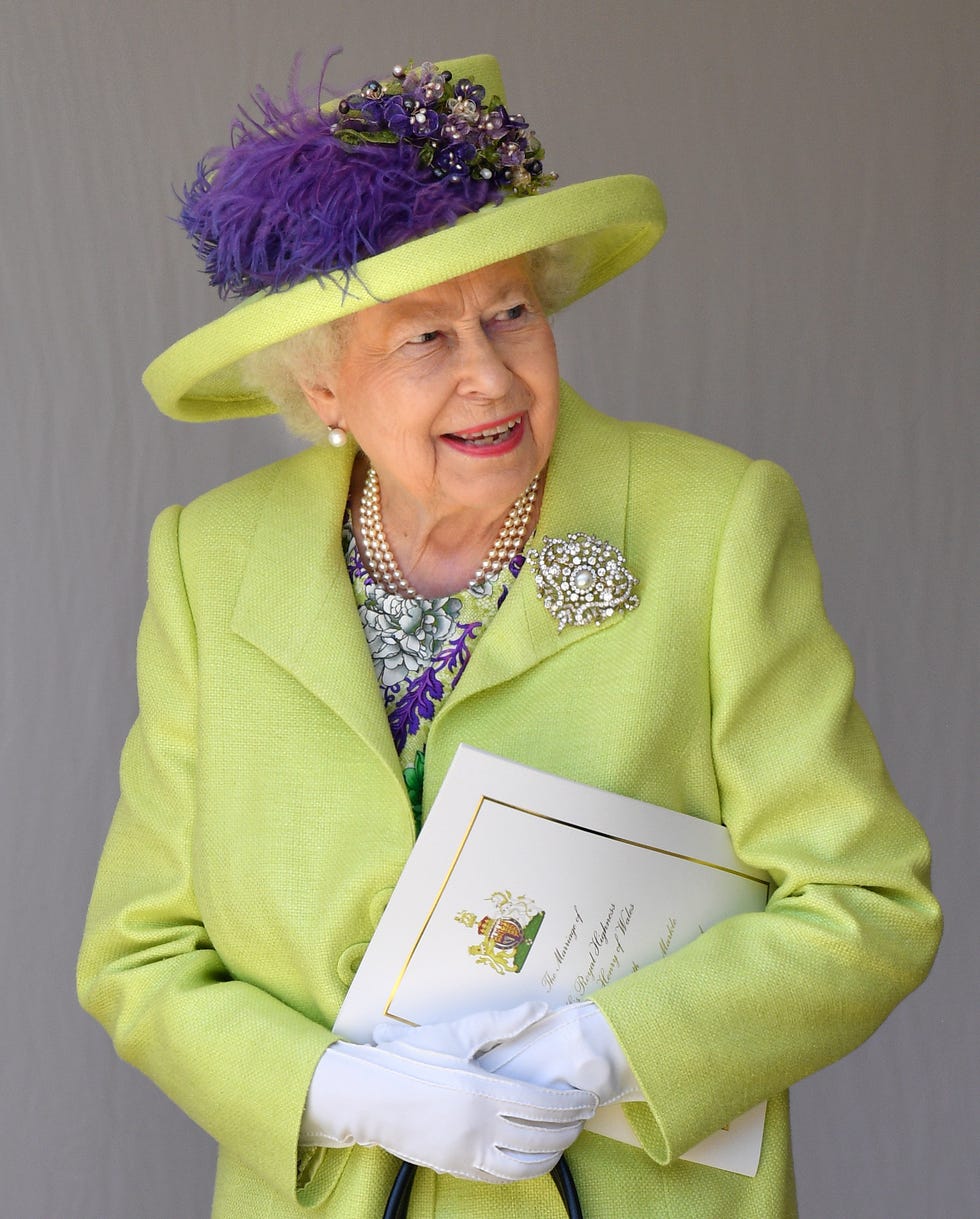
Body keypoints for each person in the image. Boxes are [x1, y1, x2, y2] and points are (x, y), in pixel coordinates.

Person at [77, 52, 941, 1219]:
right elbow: (139, 956)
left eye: (510, 314)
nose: (491, 378)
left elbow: (867, 904)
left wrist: (606, 1048)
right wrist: (339, 1093)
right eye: (422, 339)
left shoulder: (711, 522)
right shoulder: (209, 558)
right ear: (322, 390)